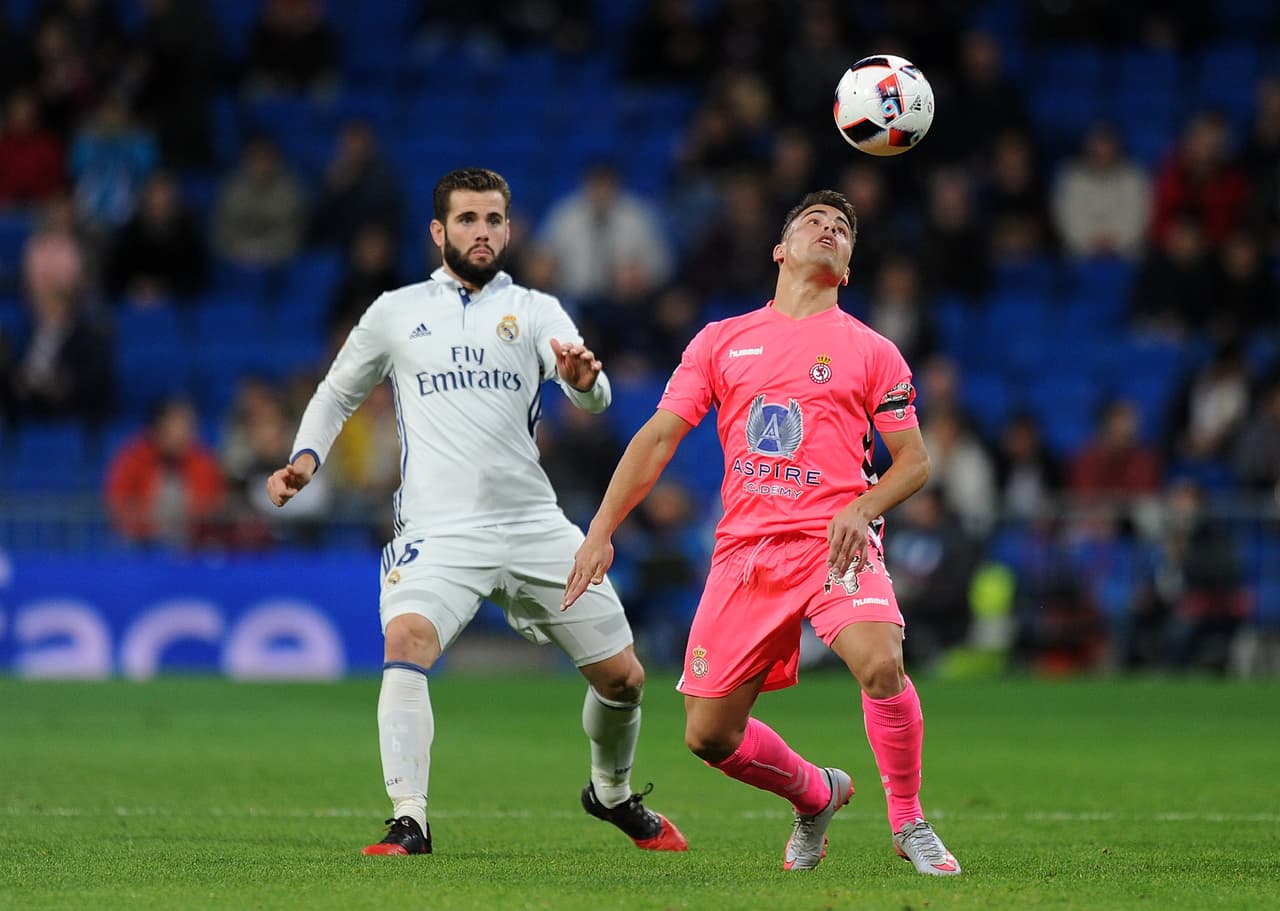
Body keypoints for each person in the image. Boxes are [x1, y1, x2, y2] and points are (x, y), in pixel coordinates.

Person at [265, 168, 687, 857]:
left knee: (625, 678)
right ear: (439, 231)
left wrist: (587, 383)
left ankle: (609, 792)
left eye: (493, 219)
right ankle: (410, 819)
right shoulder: (395, 311)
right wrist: (305, 460)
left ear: (509, 229)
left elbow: (595, 391)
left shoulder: (538, 309)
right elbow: (337, 391)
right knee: (406, 640)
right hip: (438, 530)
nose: (481, 232)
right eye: (467, 219)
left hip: (533, 524)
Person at [564, 190, 961, 875]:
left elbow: (916, 461)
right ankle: (815, 794)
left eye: (843, 229)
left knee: (881, 661)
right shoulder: (721, 340)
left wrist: (862, 508)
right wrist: (601, 528)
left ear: (849, 264)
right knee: (708, 734)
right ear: (781, 249)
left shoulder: (871, 350)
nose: (830, 230)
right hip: (746, 552)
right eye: (815, 222)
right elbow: (659, 437)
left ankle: (909, 820)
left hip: (837, 541)